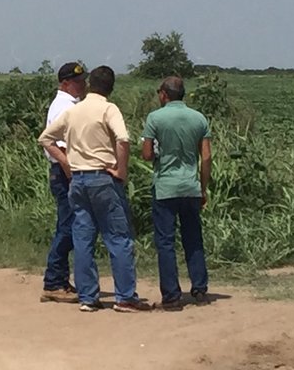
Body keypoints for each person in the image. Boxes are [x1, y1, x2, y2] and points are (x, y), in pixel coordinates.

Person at [38, 66, 151, 313]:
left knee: (83, 238)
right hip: (102, 177)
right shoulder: (108, 109)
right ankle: (125, 297)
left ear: (90, 84)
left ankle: (88, 297)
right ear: (111, 87)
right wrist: (121, 170)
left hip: (78, 180)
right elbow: (123, 139)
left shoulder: (73, 111)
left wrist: (68, 163)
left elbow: (45, 138)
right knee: (118, 237)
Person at [141, 76, 212, 310]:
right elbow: (206, 157)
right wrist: (203, 187)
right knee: (193, 238)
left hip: (165, 187)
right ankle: (199, 288)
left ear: (164, 94)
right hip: (191, 186)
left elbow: (147, 154)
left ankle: (171, 295)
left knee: (165, 241)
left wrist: (158, 153)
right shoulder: (199, 118)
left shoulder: (155, 118)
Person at [40, 62, 88, 303]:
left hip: (65, 171)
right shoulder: (64, 107)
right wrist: (70, 170)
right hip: (64, 172)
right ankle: (53, 281)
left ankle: (59, 278)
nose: (83, 85)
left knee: (68, 224)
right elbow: (57, 145)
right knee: (68, 226)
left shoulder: (70, 104)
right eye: (78, 82)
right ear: (66, 83)